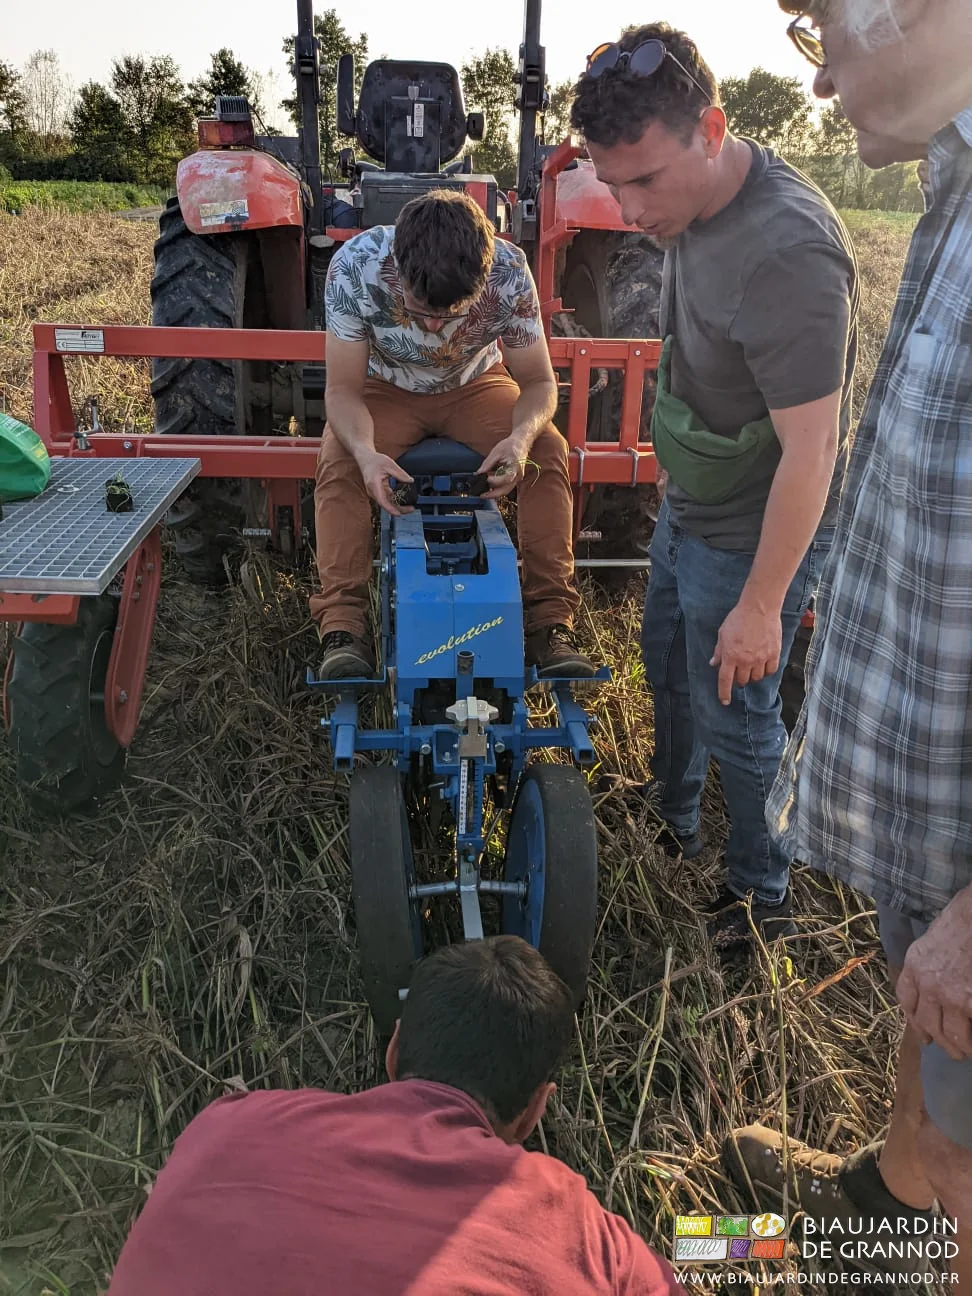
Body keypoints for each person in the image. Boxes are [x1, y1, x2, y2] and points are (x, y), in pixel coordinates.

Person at [726, 0, 972, 1287]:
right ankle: (892, 1198)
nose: (818, 80)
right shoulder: (956, 189)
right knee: (932, 1029)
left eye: (829, 26)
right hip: (944, 819)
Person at [570, 24, 859, 949]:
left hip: (756, 528)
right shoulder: (689, 209)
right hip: (692, 504)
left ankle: (758, 895)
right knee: (669, 666)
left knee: (736, 708)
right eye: (611, 185)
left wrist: (765, 603)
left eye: (644, 180)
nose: (627, 208)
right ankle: (674, 815)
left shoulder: (790, 257)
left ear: (713, 127)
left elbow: (814, 454)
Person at [106, 936, 678, 1295]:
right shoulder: (575, 1230)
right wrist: (757, 1238)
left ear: (394, 1050)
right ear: (535, 1110)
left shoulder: (227, 1127)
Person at [310, 188, 593, 681]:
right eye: (421, 311)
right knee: (339, 458)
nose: (436, 325)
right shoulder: (355, 267)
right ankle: (343, 628)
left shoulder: (509, 271)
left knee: (547, 449)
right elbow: (342, 392)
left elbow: (540, 383)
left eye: (453, 313)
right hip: (384, 387)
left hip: (475, 385)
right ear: (397, 264)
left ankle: (551, 623)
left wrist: (520, 439)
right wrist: (365, 453)